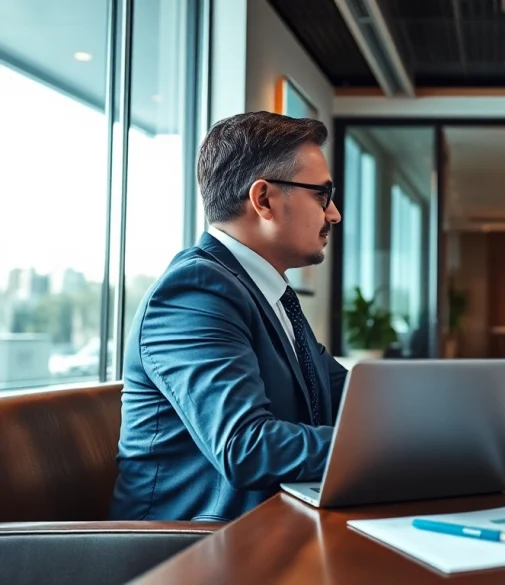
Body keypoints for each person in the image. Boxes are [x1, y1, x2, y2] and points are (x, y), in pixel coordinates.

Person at [110, 112, 348, 522]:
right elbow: (247, 446)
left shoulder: (270, 294)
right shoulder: (194, 292)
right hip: (185, 554)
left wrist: (442, 430)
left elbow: (343, 396)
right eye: (321, 195)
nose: (333, 215)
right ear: (264, 199)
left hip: (271, 529)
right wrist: (396, 449)